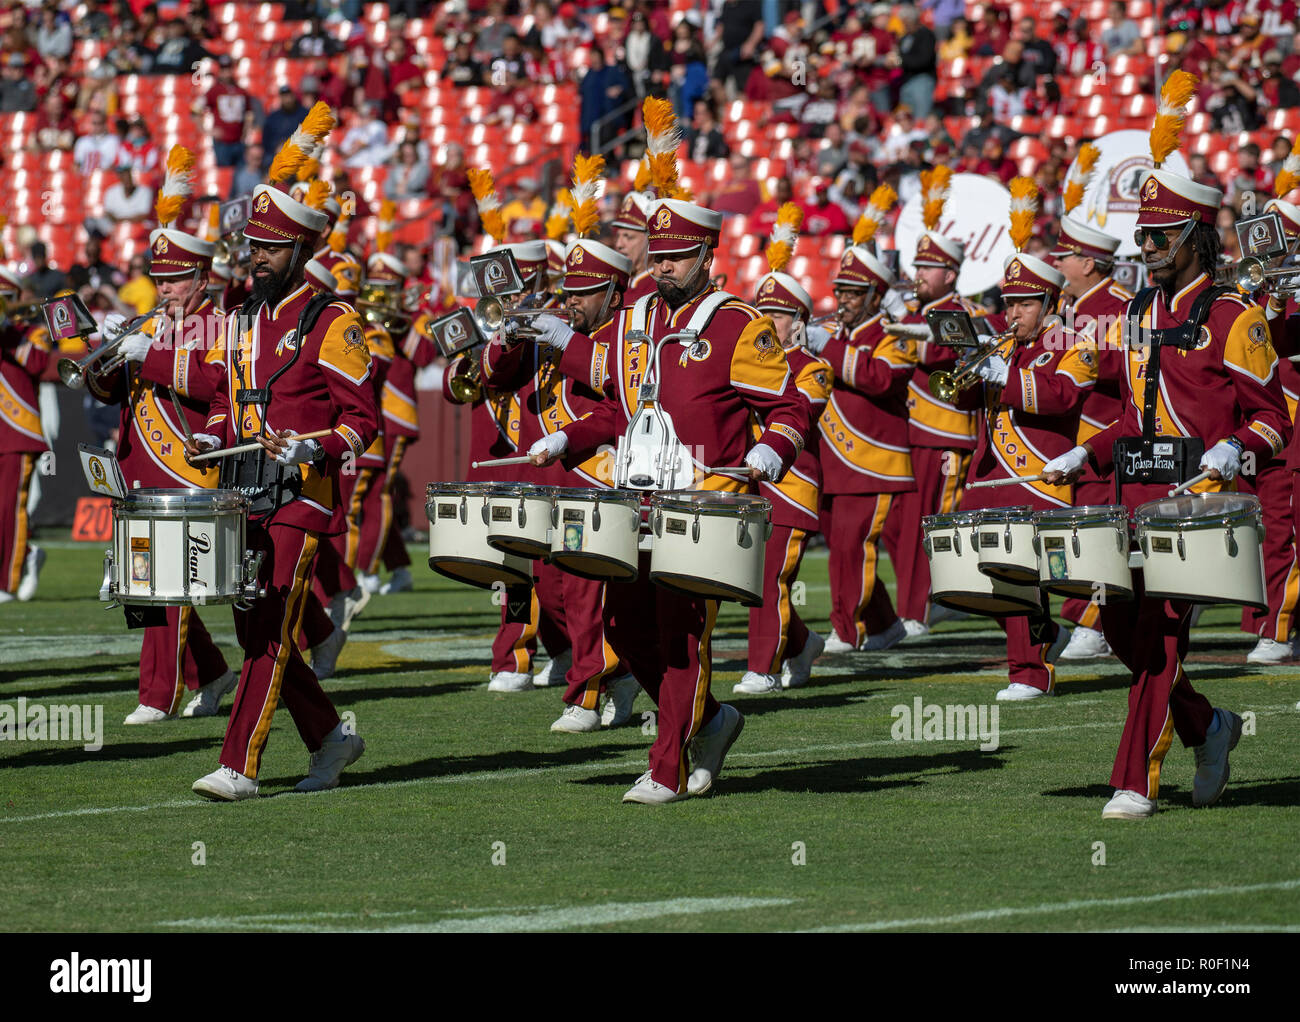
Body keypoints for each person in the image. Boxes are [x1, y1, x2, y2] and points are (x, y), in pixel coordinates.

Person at [530, 195, 811, 803]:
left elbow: (790, 405)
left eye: (678, 258)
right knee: (625, 629)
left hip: (705, 507)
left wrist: (773, 450)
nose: (664, 269)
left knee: (682, 634)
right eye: (657, 258)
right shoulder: (636, 318)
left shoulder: (739, 323)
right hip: (637, 502)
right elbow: (616, 407)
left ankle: (668, 769)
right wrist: (567, 435)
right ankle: (712, 721)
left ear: (708, 255)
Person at [1043, 168, 1290, 820]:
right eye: (1143, 237)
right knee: (1124, 633)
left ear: (1194, 238)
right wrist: (1086, 452)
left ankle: (1134, 783)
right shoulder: (1135, 313)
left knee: (1157, 638)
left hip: (1200, 510)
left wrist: (1236, 447)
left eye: (1160, 237)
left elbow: (1272, 418)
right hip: (1130, 501)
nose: (1148, 248)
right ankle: (1208, 727)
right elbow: (1130, 421)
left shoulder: (1235, 315)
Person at [185, 165, 377, 800]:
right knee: (252, 628)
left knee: (268, 625)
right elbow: (224, 398)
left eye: (270, 248)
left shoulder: (331, 318)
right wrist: (211, 436)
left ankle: (238, 766)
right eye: (253, 247)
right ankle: (331, 740)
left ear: (300, 250)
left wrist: (308, 448)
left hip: (301, 497)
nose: (256, 258)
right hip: (242, 493)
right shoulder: (240, 317)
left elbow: (362, 420)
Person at [86, 156, 239, 722]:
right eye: (160, 279)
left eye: (175, 280)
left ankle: (159, 695)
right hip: (139, 463)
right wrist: (105, 363)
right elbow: (112, 392)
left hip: (187, 468)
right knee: (143, 584)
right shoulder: (149, 323)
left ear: (202, 278)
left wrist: (152, 358)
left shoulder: (221, 325)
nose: (166, 289)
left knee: (164, 585)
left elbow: (216, 385)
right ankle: (213, 672)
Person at [479, 233, 638, 730]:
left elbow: (619, 407)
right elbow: (495, 380)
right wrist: (508, 336)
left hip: (594, 477)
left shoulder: (622, 338)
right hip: (549, 480)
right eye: (569, 290)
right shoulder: (554, 326)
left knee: (586, 591)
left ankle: (585, 695)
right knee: (550, 592)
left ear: (612, 293)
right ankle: (621, 672)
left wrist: (567, 438)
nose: (572, 300)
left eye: (584, 291)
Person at [957, 241, 1094, 701]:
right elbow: (963, 401)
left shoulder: (1073, 343)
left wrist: (1006, 377)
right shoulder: (1003, 346)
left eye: (1025, 303)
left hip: (1038, 475)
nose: (1013, 312)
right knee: (970, 575)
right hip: (990, 474)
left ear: (1051, 303)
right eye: (1009, 302)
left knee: (1016, 574)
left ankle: (1030, 672)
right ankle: (1045, 630)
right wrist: (968, 371)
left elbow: (1063, 395)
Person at [737, 214, 832, 692]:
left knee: (770, 578)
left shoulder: (814, 367)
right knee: (746, 579)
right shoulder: (745, 361)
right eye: (761, 312)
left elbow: (799, 410)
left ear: (800, 323)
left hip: (790, 488)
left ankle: (764, 669)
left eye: (776, 315)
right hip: (747, 483)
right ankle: (802, 643)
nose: (765, 321)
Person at [817, 226, 917, 653]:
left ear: (877, 296)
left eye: (855, 293)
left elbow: (881, 378)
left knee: (852, 548)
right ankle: (884, 624)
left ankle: (848, 629)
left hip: (872, 462)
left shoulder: (896, 336)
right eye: (841, 291)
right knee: (841, 546)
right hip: (833, 461)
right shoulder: (836, 335)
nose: (844, 301)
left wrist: (829, 350)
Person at [1049, 217, 1133, 661]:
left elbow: (1130, 369)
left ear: (1087, 262)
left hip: (1105, 436)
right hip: (1069, 438)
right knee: (1075, 533)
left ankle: (1093, 623)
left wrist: (1080, 358)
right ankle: (1083, 618)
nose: (1057, 265)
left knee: (1100, 533)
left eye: (1063, 258)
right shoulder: (1067, 306)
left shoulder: (1121, 306)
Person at [0, 261, 50, 603]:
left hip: (17, 432)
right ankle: (28, 553)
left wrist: (7, 329)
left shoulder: (31, 332)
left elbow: (38, 363)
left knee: (8, 508)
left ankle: (6, 583)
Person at [199, 53, 253, 168]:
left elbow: (249, 113)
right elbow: (196, 110)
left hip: (239, 141)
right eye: (224, 69)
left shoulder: (241, 91)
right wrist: (207, 131)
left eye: (228, 68)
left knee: (240, 174)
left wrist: (246, 130)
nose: (227, 72)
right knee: (224, 174)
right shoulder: (214, 91)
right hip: (222, 143)